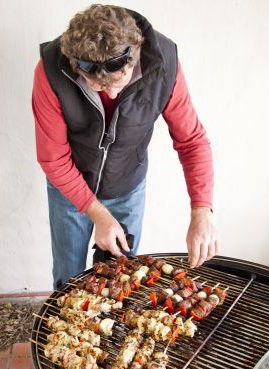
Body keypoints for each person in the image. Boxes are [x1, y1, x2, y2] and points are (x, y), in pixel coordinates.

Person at [32, 4, 219, 289]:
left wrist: (201, 212)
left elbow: (192, 141)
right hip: (69, 189)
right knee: (68, 280)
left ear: (136, 56)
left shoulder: (164, 65)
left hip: (127, 185)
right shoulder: (50, 71)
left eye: (118, 81)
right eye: (96, 85)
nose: (111, 93)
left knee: (120, 281)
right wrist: (96, 212)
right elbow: (53, 159)